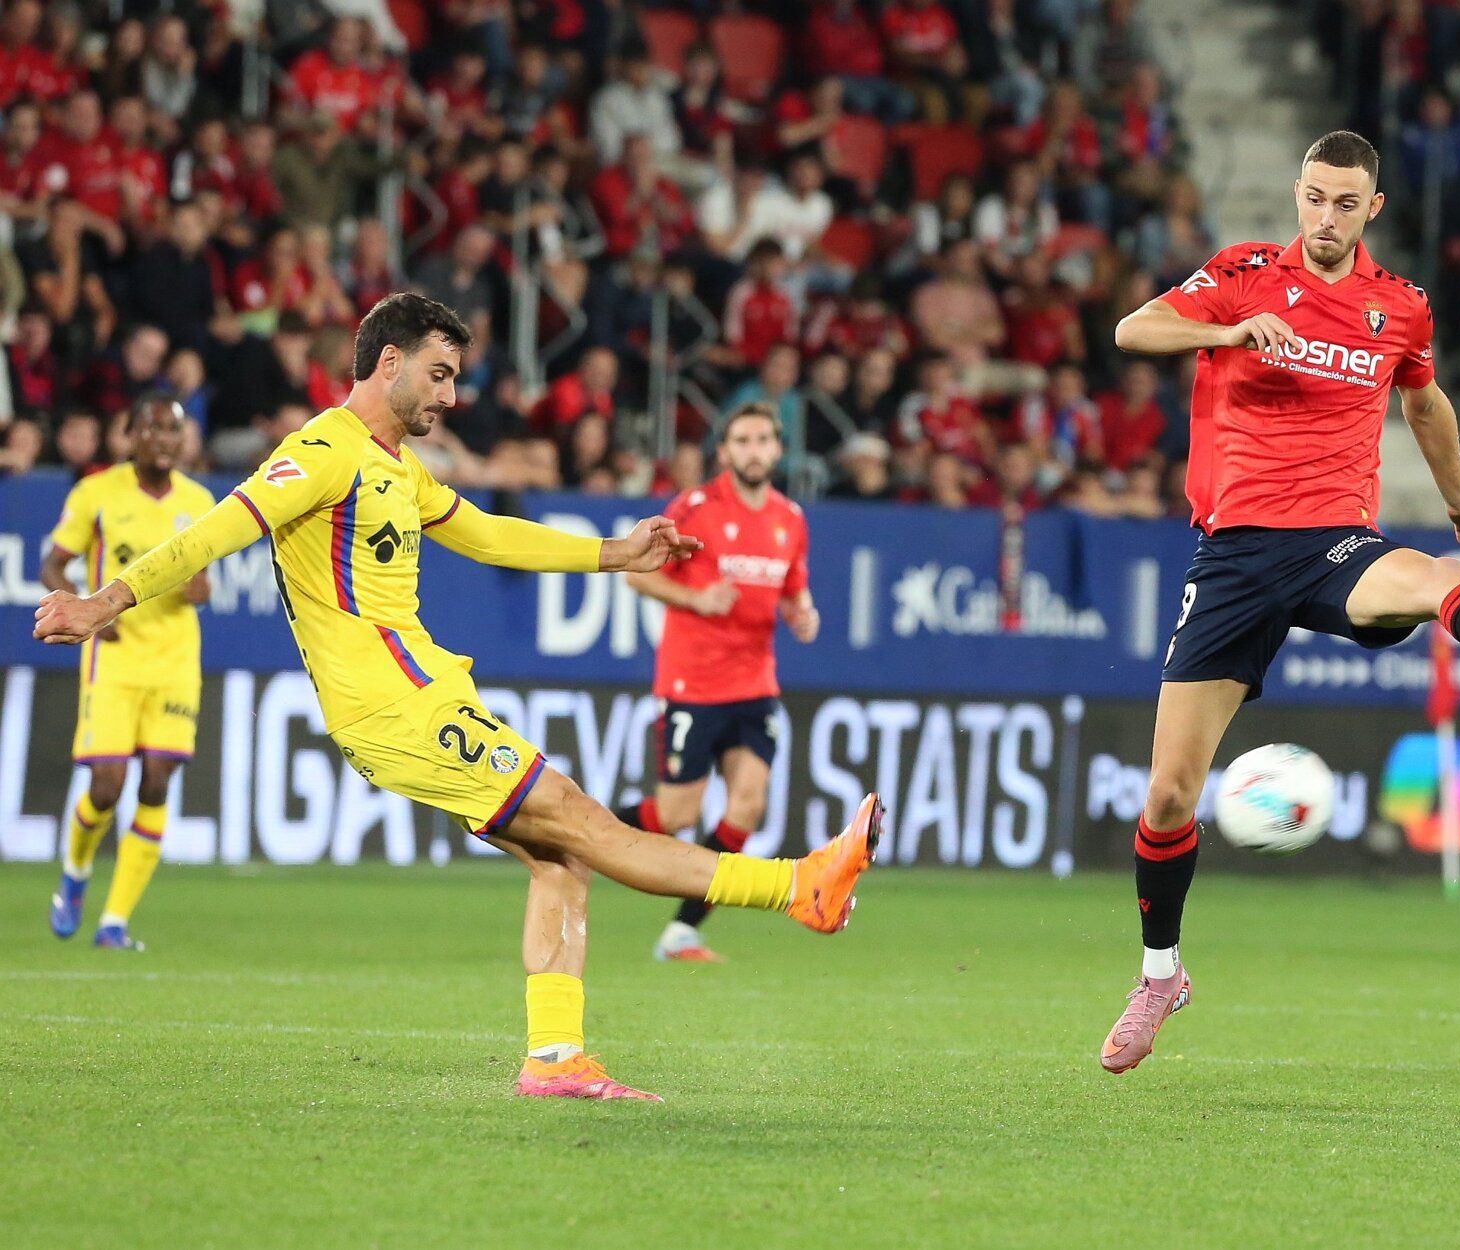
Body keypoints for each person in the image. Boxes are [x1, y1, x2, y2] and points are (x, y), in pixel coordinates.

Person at [34, 294, 882, 1102]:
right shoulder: (324, 451)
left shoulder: (397, 469)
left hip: (422, 696)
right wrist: (100, 603)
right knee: (584, 819)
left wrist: (615, 554)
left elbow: (488, 535)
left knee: (564, 854)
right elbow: (215, 530)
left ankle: (555, 1058)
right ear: (390, 361)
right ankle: (796, 886)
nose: (452, 393)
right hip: (394, 707)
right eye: (439, 374)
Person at [1100, 131, 1460, 1074]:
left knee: (1426, 579)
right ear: (1296, 194)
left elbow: (1424, 403)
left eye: (1345, 203)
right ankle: (1160, 976)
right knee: (1170, 793)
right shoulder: (1242, 274)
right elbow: (1131, 330)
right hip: (1231, 554)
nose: (1326, 217)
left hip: (1331, 541)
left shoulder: (1400, 308)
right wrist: (1228, 332)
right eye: (1313, 198)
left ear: (1372, 210)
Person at [621, 404, 818, 963]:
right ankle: (579, 832)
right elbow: (641, 576)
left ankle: (681, 931)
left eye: (763, 440)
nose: (754, 450)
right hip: (694, 682)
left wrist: (804, 615)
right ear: (725, 452)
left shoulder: (791, 519)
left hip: (755, 684)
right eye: (742, 440)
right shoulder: (697, 509)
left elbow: (794, 593)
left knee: (747, 808)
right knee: (677, 816)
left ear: (777, 450)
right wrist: (696, 599)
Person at [41, 396, 215, 950]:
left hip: (174, 661)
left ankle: (114, 921)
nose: (164, 439)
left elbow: (203, 586)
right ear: (129, 434)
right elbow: (53, 561)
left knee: (159, 780)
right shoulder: (97, 493)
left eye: (173, 430)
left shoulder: (200, 501)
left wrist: (200, 588)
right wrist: (85, 609)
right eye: (153, 428)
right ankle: (76, 868)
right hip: (114, 661)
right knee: (107, 785)